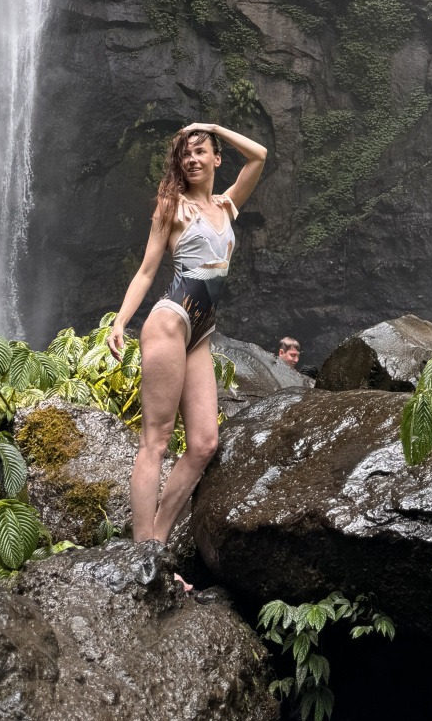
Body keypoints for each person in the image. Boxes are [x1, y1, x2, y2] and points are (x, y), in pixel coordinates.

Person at [109, 120, 267, 546]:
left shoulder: (227, 205)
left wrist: (211, 126)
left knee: (204, 444)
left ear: (217, 158)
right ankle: (141, 552)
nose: (193, 159)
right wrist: (121, 321)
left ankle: (156, 544)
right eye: (186, 153)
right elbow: (147, 271)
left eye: (201, 151)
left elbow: (259, 156)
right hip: (170, 322)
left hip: (202, 332)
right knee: (156, 441)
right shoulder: (171, 206)